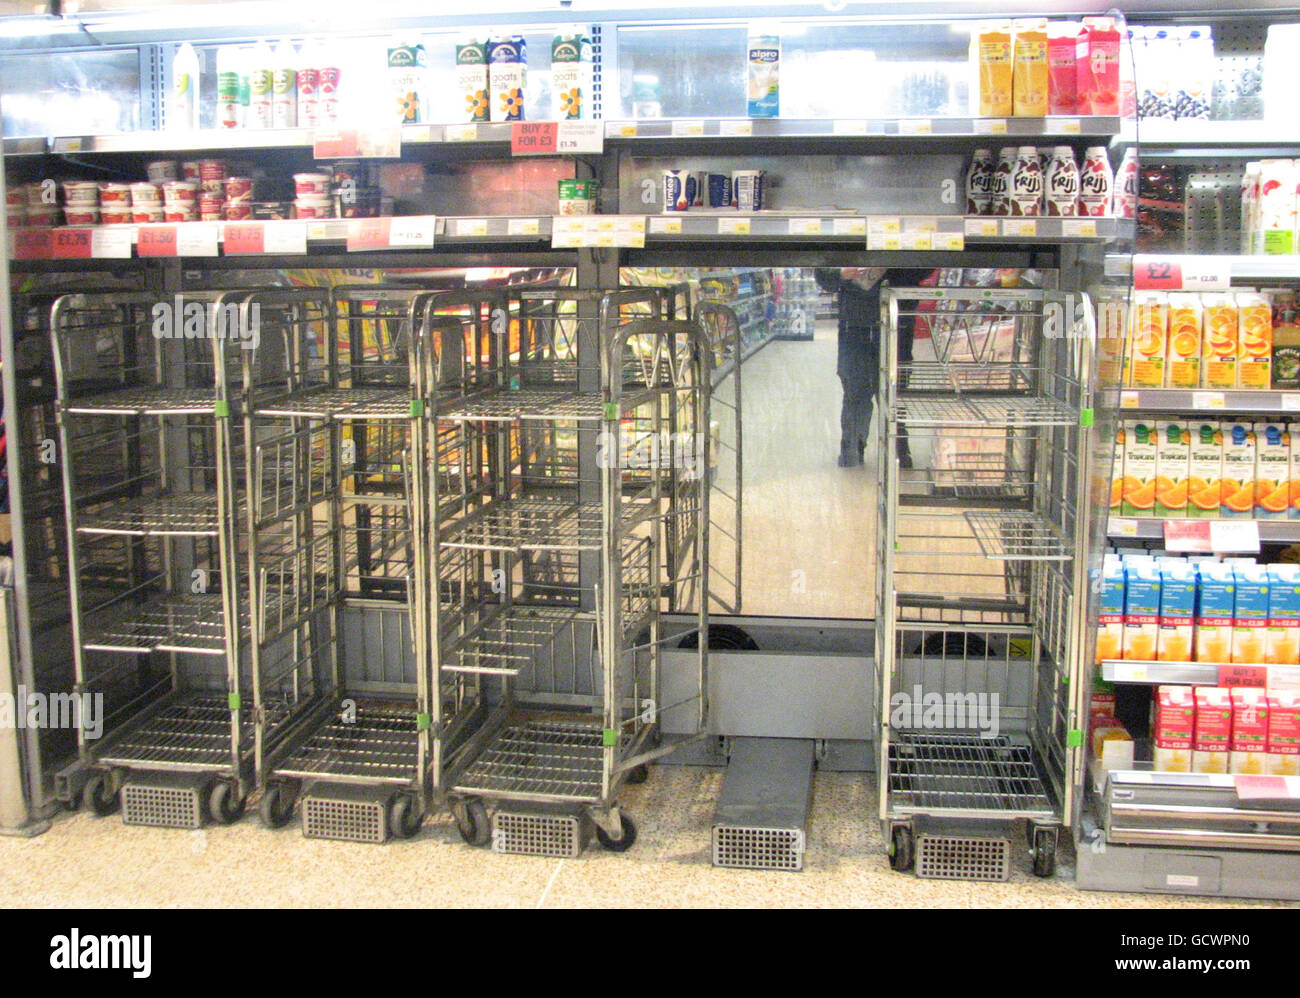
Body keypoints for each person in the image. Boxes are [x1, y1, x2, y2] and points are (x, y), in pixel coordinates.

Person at [814, 267, 933, 467]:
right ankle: (852, 452)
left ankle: (898, 452)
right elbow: (822, 273)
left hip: (897, 321)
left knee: (895, 391)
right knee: (855, 390)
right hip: (855, 323)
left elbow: (927, 265)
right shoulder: (845, 238)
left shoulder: (909, 237)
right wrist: (842, 274)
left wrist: (891, 266)